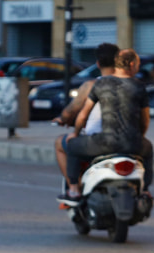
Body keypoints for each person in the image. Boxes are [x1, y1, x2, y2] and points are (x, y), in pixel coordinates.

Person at [60, 49, 152, 204]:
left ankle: (74, 190)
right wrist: (140, 137)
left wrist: (75, 133)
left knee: (73, 147)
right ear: (131, 64)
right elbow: (145, 120)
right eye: (138, 64)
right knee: (148, 150)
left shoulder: (101, 83)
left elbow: (83, 114)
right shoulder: (138, 86)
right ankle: (145, 189)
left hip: (103, 142)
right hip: (132, 143)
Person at [53, 43, 118, 191]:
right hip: (126, 140)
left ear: (98, 63)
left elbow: (72, 112)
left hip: (97, 141)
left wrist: (63, 120)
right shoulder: (130, 85)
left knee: (61, 143)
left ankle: (74, 189)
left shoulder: (91, 85)